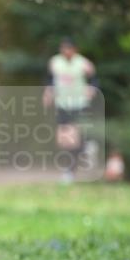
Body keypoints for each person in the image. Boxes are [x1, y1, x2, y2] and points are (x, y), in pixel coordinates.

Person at [43, 39, 97, 183]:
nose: (66, 51)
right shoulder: (55, 62)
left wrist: (92, 89)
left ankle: (70, 170)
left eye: (69, 49)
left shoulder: (83, 63)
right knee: (65, 141)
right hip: (62, 104)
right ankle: (84, 150)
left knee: (74, 137)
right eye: (63, 49)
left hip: (79, 103)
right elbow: (50, 80)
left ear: (75, 50)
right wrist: (48, 93)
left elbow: (93, 79)